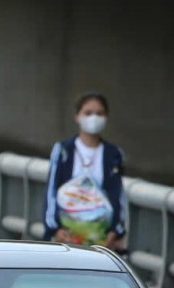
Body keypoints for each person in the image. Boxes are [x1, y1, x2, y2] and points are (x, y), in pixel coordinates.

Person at [44, 92, 125, 249]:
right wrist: (55, 228)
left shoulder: (113, 154)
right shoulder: (63, 151)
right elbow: (51, 190)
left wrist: (115, 231)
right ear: (77, 116)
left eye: (99, 113)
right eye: (88, 113)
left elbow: (118, 195)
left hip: (100, 238)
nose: (93, 118)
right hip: (66, 236)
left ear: (106, 116)